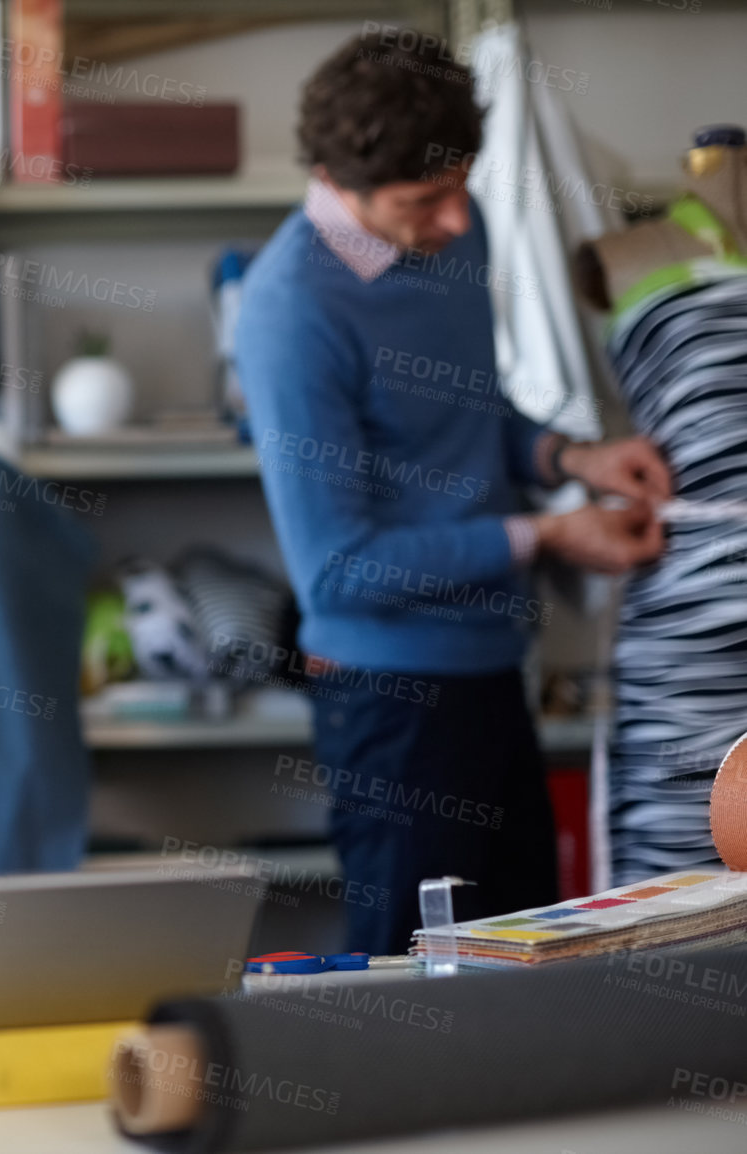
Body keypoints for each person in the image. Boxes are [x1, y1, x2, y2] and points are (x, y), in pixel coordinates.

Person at [233, 31, 670, 955]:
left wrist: (569, 458)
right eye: (425, 200)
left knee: (534, 968)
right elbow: (338, 571)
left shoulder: (445, 241)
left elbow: (471, 414)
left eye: (462, 186)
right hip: (391, 706)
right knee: (414, 988)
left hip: (489, 675)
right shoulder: (290, 310)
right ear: (339, 178)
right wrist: (545, 537)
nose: (458, 221)